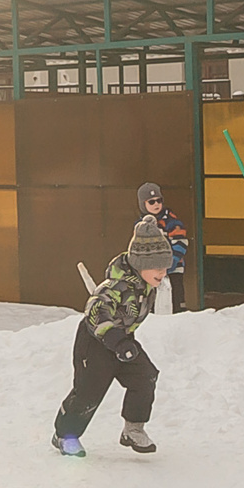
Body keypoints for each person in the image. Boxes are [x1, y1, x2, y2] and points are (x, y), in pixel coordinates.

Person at [52, 217, 170, 457]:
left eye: (165, 265)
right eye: (156, 266)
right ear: (139, 263)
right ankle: (65, 435)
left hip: (123, 341)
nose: (162, 271)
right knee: (89, 390)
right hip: (95, 342)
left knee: (145, 376)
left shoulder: (146, 286)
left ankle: (133, 429)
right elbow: (94, 312)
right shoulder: (116, 286)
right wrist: (116, 340)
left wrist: (123, 342)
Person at [138, 182, 191, 314]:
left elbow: (181, 243)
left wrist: (169, 264)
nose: (156, 204)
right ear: (143, 204)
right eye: (151, 202)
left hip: (173, 269)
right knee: (151, 299)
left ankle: (179, 319)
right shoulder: (140, 225)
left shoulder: (172, 222)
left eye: (159, 201)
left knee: (176, 298)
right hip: (150, 271)